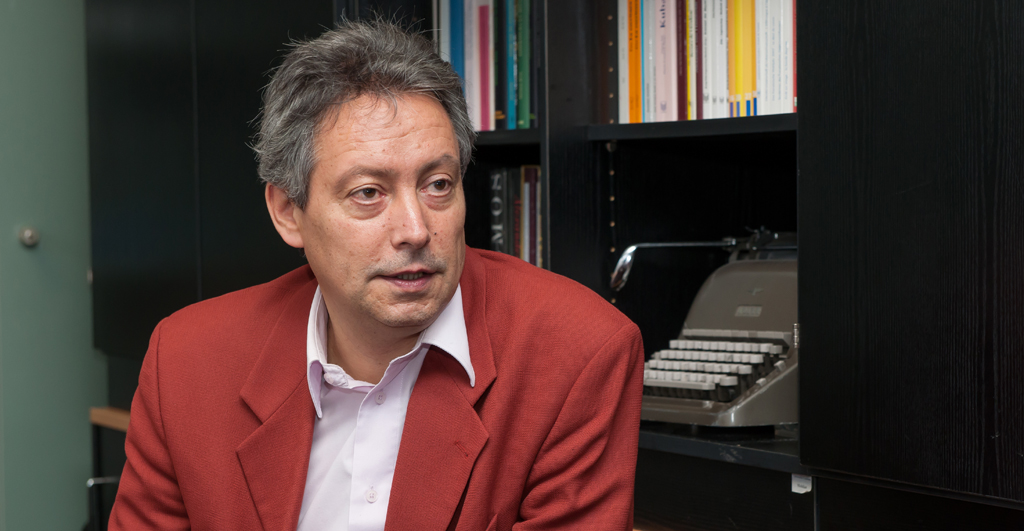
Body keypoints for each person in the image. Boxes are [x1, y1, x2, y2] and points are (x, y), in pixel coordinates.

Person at [109, 19, 644, 531]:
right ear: (288, 212)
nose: (416, 229)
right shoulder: (186, 362)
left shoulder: (577, 355)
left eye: (438, 184)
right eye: (368, 193)